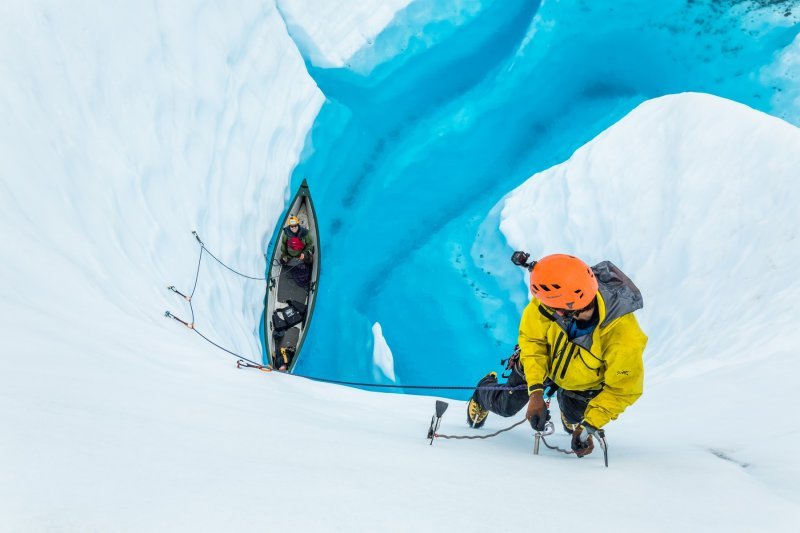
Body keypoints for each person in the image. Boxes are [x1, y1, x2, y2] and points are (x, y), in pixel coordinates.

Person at [467, 253, 647, 457]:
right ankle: (482, 394)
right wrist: (535, 391)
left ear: (570, 305)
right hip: (543, 365)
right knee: (506, 406)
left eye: (554, 308)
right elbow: (533, 342)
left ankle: (570, 412)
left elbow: (622, 389)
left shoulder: (623, 336)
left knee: (575, 417)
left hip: (582, 383)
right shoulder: (550, 302)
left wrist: (589, 426)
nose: (547, 309)